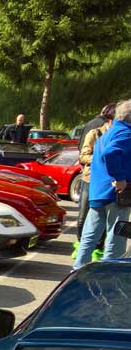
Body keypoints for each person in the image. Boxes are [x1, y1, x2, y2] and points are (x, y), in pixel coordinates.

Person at [75, 100, 131, 269]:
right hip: (115, 193)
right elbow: (111, 152)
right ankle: (109, 273)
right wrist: (120, 178)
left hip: (98, 192)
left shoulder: (108, 132)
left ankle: (77, 270)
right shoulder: (126, 133)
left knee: (89, 237)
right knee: (116, 237)